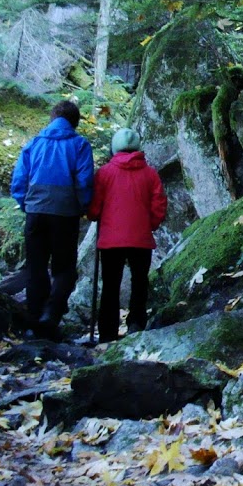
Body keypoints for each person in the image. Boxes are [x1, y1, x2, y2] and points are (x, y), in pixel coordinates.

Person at [10, 100, 94, 341]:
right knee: (64, 268)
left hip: (36, 213)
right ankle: (52, 315)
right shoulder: (79, 145)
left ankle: (34, 320)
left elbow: (19, 181)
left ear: (52, 117)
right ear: (74, 122)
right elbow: (85, 182)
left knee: (35, 266)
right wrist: (82, 206)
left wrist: (26, 204)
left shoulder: (34, 143)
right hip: (65, 215)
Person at [88, 127, 166, 344]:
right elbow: (159, 203)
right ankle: (136, 324)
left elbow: (95, 207)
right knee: (140, 283)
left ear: (114, 148)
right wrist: (149, 224)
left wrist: (93, 214)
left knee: (111, 286)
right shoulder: (150, 173)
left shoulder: (104, 173)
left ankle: (107, 333)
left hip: (111, 240)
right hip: (140, 238)